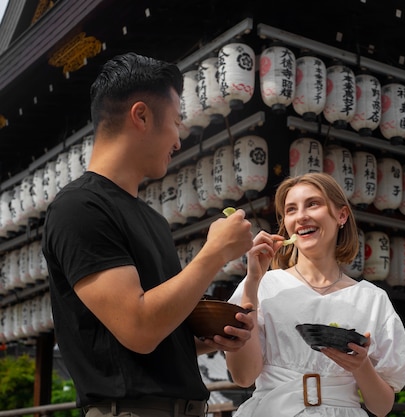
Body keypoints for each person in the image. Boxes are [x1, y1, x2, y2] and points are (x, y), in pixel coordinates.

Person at [41, 52, 255, 417]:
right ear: (140, 115)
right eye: (175, 121)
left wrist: (209, 337)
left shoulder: (153, 221)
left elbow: (155, 329)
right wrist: (215, 253)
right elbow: (138, 328)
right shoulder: (78, 207)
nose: (178, 139)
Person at [225, 172, 405, 416]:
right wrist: (252, 282)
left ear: (341, 215)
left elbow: (381, 407)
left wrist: (361, 366)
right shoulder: (263, 285)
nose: (301, 216)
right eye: (291, 210)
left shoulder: (372, 299)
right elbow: (243, 376)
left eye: (313, 204)